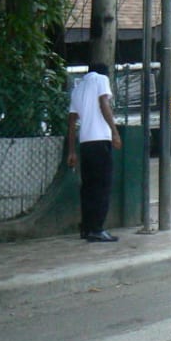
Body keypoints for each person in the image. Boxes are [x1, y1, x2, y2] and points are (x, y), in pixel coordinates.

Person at [67, 63, 122, 242]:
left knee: (88, 187)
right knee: (102, 186)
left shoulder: (78, 88)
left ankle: (86, 228)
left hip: (85, 142)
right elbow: (104, 103)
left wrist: (72, 151)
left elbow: (72, 122)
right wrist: (114, 131)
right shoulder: (101, 79)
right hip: (100, 140)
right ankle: (97, 229)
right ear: (104, 73)